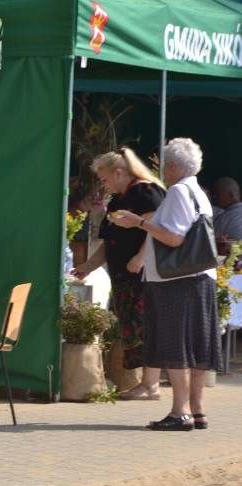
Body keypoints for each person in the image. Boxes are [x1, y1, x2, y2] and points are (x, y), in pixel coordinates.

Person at [110, 138, 222, 431]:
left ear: (172, 166)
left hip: (176, 281)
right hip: (202, 278)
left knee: (176, 347)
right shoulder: (199, 192)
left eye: (162, 165)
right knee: (197, 347)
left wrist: (139, 222)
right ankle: (197, 411)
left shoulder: (176, 193)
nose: (161, 170)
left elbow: (174, 238)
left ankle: (179, 412)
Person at [72, 148, 165, 401]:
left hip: (143, 275)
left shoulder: (144, 191)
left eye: (104, 179)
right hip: (124, 277)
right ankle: (146, 384)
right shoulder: (119, 198)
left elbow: (155, 228)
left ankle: (150, 385)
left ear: (118, 173)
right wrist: (88, 266)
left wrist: (141, 256)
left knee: (145, 326)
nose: (103, 185)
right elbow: (109, 240)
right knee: (134, 328)